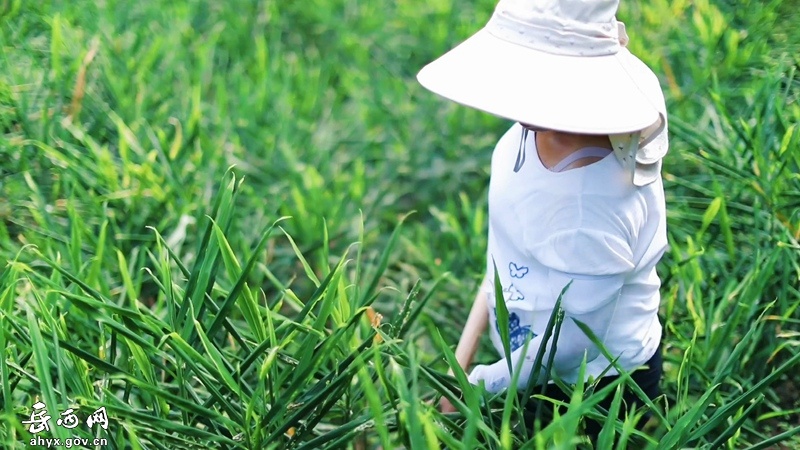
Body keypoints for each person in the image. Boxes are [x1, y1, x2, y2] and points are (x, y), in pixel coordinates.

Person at [417, 0, 669, 438]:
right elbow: (504, 253)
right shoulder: (526, 135)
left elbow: (573, 341)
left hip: (597, 385)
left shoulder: (586, 210)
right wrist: (464, 356)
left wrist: (483, 382)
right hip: (525, 361)